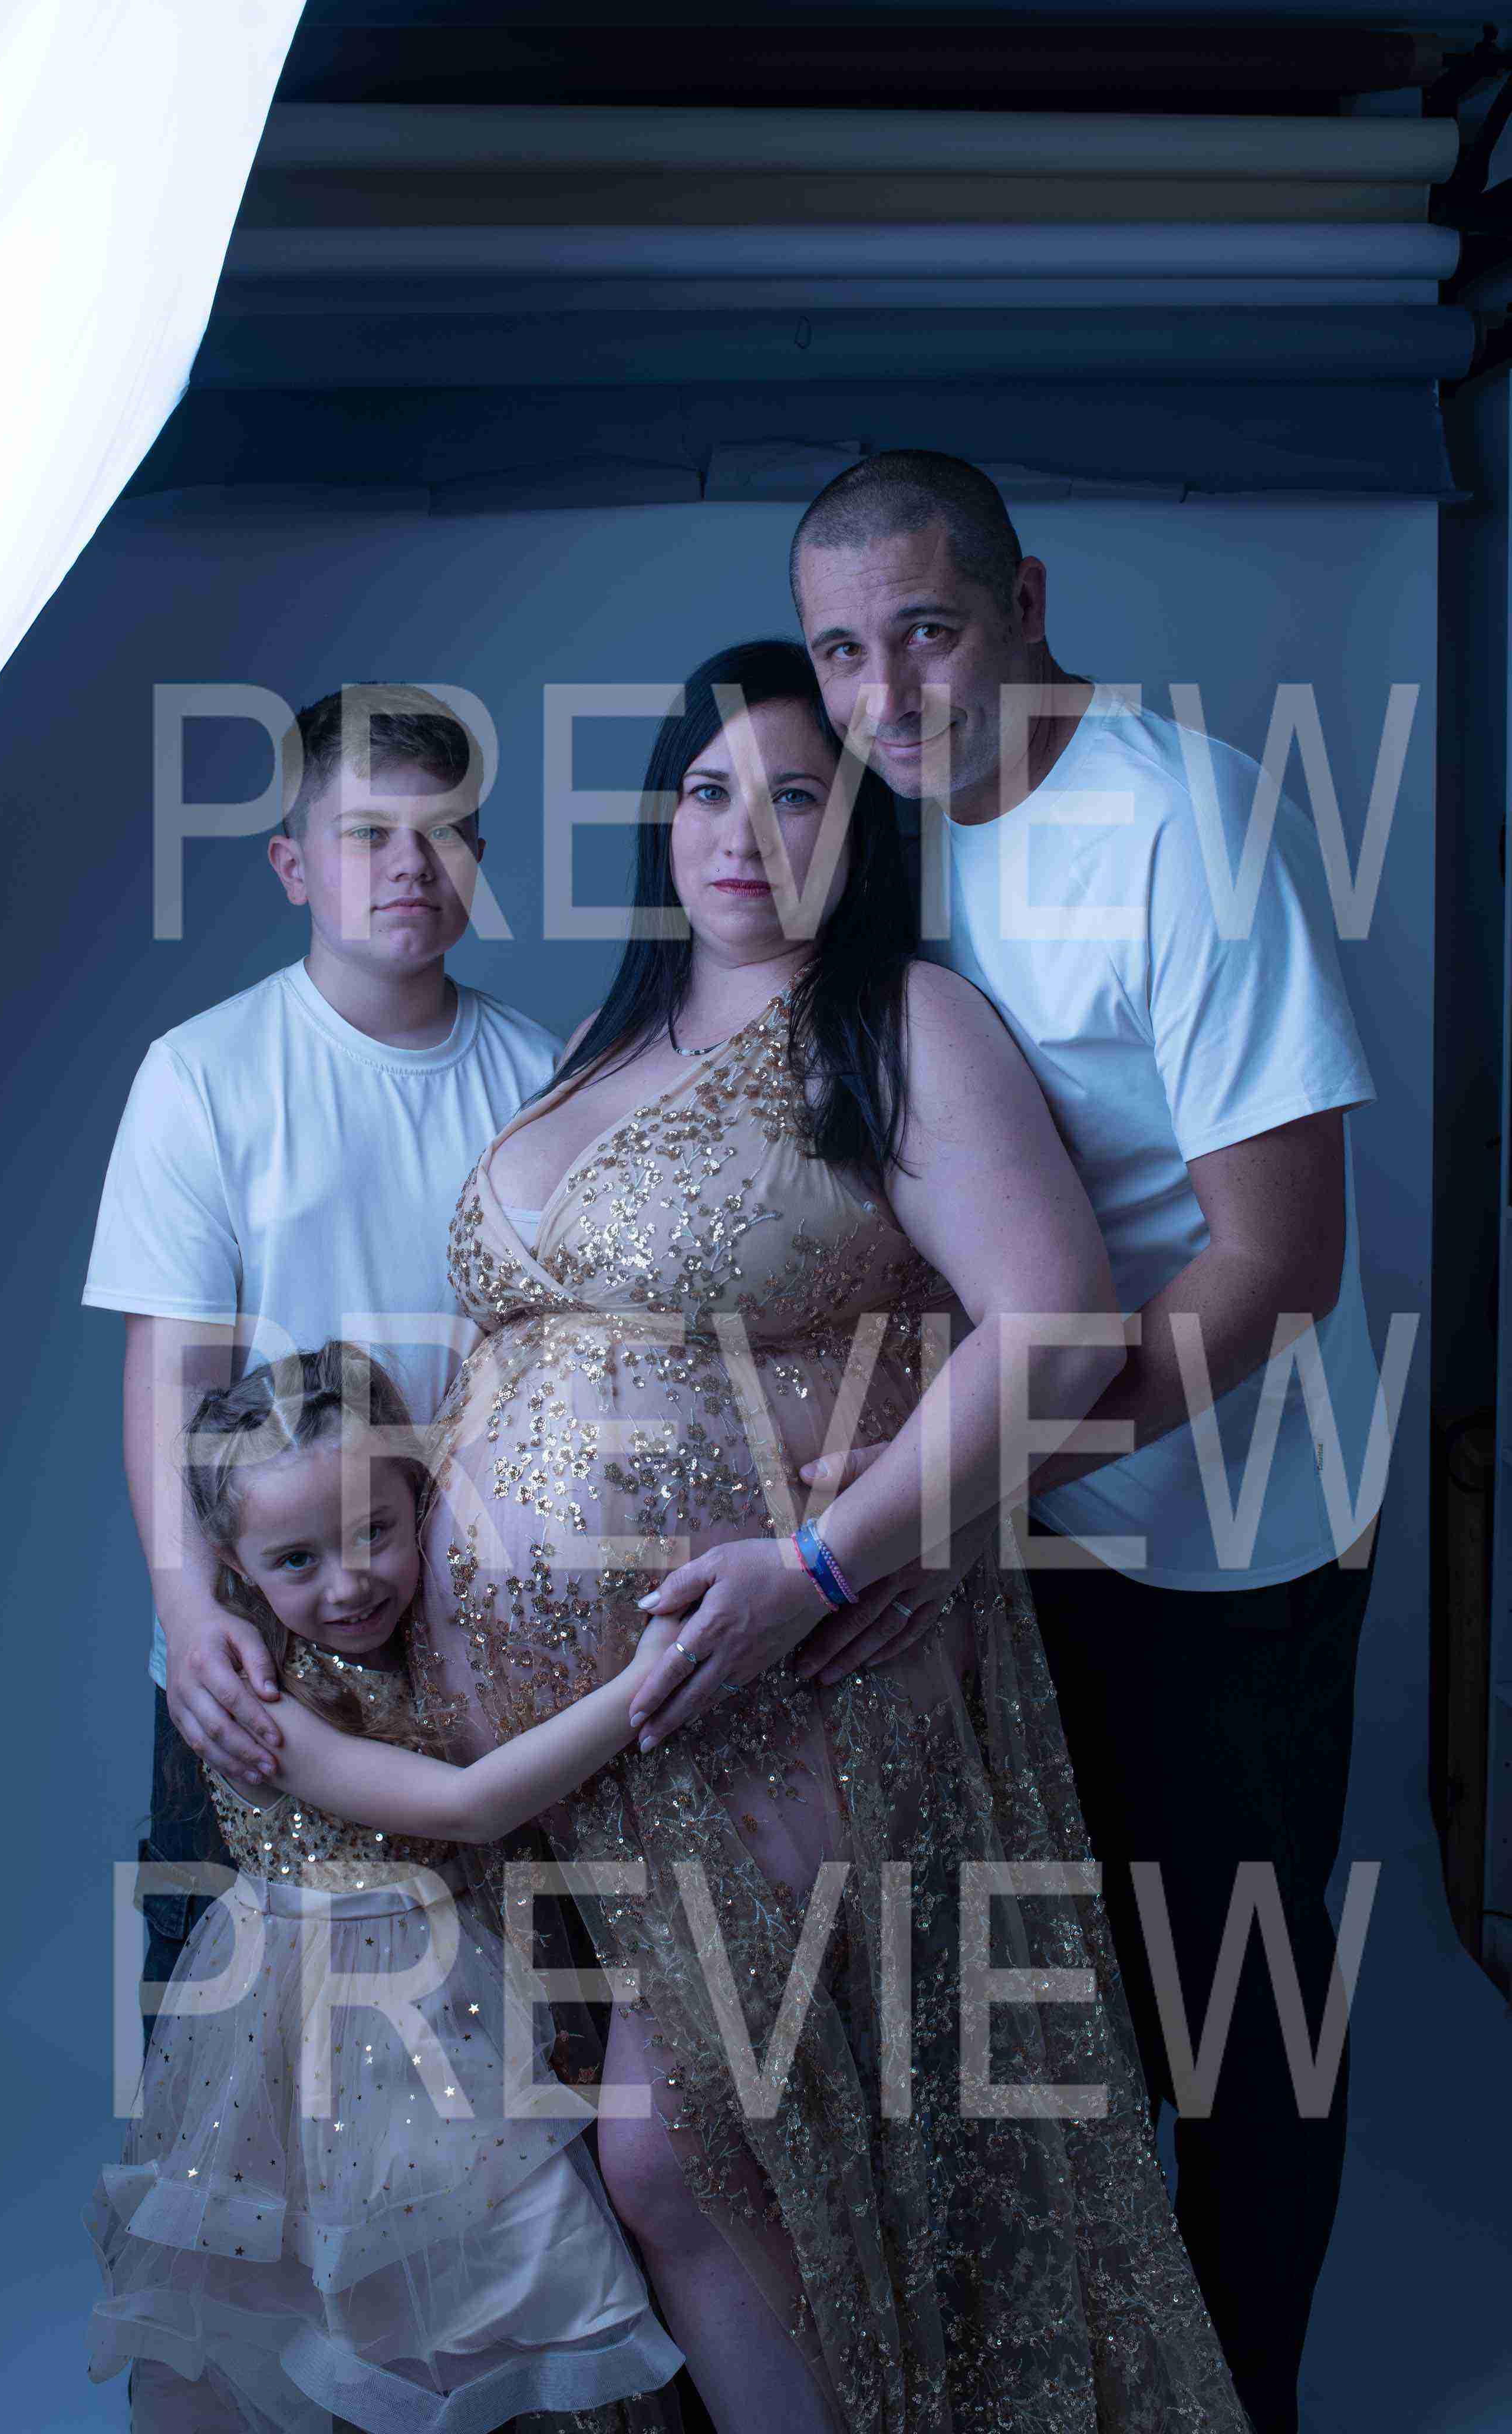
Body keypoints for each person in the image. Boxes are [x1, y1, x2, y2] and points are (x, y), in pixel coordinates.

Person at [342, 639, 1256, 2433]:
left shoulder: (902, 1024)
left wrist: (829, 1558)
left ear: (864, 830)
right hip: (554, 1740)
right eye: (708, 791)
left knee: (684, 2147)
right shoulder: (599, 1042)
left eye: (796, 794)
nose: (742, 832)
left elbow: (1058, 1327)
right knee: (629, 2161)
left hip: (781, 1682)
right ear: (660, 819)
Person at [790, 449, 1386, 2434]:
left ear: (1026, 603)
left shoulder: (1177, 824)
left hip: (1226, 1531)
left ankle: (1248, 2400)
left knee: (1235, 2023)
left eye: (927, 633)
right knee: (1049, 2001)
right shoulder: (888, 838)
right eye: (842, 653)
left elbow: (1278, 1261)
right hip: (1020, 1513)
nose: (886, 694)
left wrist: (968, 1485)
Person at [86, 1340, 686, 2432]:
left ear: (421, 1503)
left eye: (376, 1532)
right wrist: (650, 1678)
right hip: (325, 2023)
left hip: (454, 1993)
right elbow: (467, 1808)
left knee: (485, 2278)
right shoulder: (258, 1704)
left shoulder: (433, 1634)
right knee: (329, 2294)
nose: (350, 1580)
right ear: (232, 1566)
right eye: (297, 1560)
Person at [82, 685, 562, 2034]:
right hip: (265, 1619)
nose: (410, 865)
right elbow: (173, 1379)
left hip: (467, 1620)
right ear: (294, 864)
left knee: (494, 2023)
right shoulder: (205, 1076)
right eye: (366, 834)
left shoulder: (539, 1080)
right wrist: (193, 1613)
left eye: (444, 833)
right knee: (221, 2012)